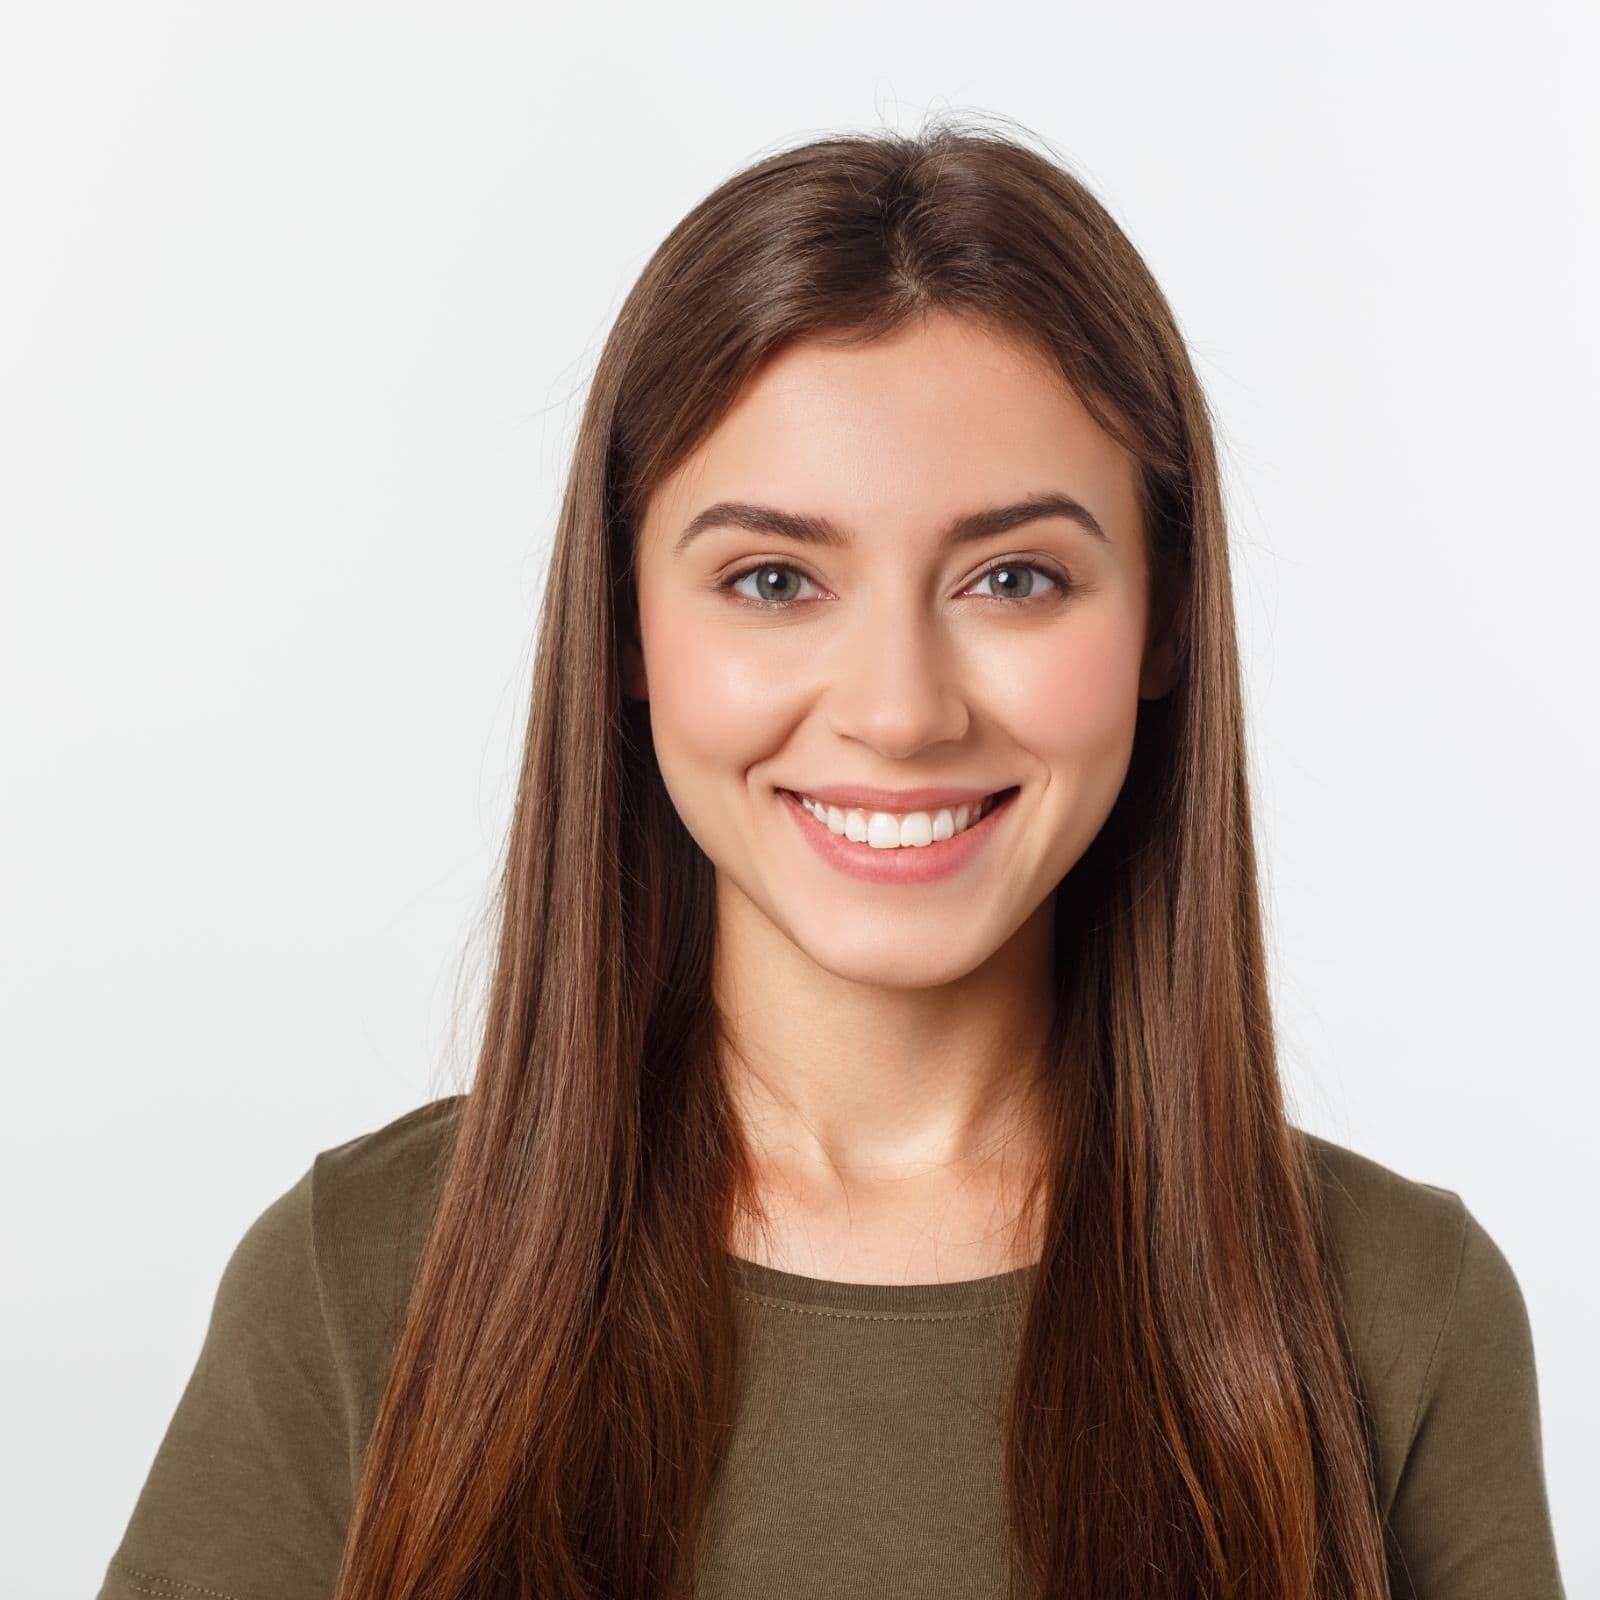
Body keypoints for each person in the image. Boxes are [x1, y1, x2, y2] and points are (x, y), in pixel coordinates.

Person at [97, 116, 1567, 1600]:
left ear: (1165, 624)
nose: (899, 711)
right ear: (625, 626)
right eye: (775, 580)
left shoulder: (1394, 1317)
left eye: (1014, 578)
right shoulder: (361, 1293)